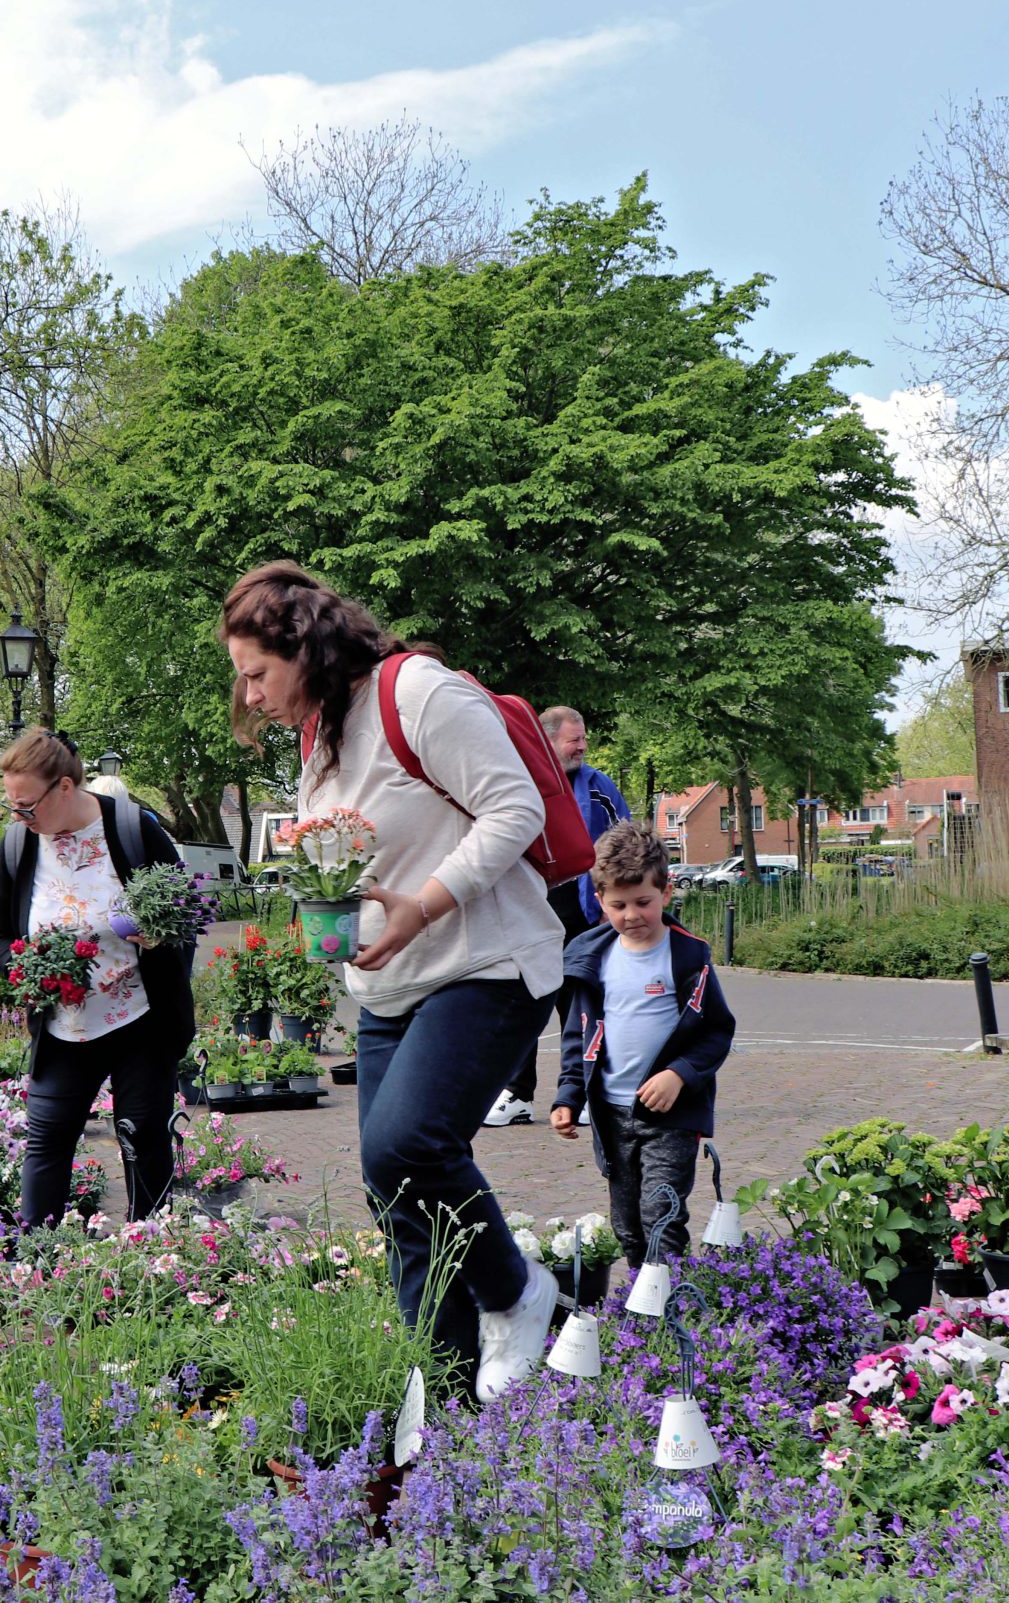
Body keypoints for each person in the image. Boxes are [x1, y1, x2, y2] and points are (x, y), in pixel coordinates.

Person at [224, 561, 562, 1402]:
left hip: (486, 964)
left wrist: (425, 903)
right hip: (389, 986)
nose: (251, 696)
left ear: (305, 648)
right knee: (398, 1197)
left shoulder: (417, 691)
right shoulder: (320, 734)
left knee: (405, 1145)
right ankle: (440, 1411)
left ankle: (517, 1292)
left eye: (258, 674)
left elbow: (515, 809)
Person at [0, 729, 195, 1227]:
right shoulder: (18, 845)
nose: (18, 817)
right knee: (46, 1141)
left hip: (140, 1019)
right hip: (64, 1027)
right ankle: (37, 1255)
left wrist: (159, 935)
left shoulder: (132, 829)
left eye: (26, 807)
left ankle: (152, 1251)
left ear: (64, 787)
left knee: (143, 1139)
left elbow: (186, 913)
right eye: (12, 806)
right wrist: (31, 971)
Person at [548, 822, 734, 1267]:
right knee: (627, 1224)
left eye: (643, 902)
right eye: (619, 905)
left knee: (661, 1216)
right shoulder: (590, 958)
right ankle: (640, 1299)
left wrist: (679, 1075)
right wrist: (568, 1096)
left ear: (666, 892)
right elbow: (577, 1036)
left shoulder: (687, 957)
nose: (631, 915)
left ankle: (670, 1301)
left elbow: (717, 1031)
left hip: (670, 1114)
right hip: (611, 1113)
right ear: (600, 901)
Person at [487, 705, 630, 1127]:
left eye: (584, 738)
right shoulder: (517, 782)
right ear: (547, 741)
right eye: (574, 740)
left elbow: (627, 846)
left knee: (580, 1007)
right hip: (527, 913)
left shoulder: (600, 787)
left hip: (582, 916)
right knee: (522, 1001)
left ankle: (583, 1094)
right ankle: (517, 1094)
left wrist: (613, 908)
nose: (582, 746)